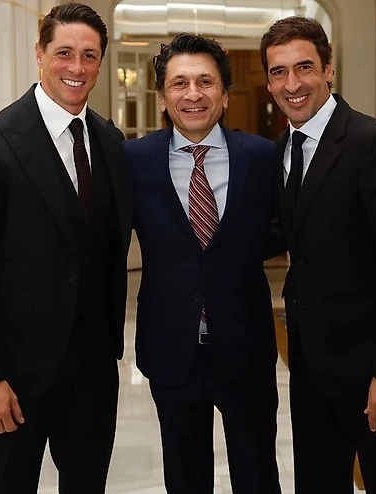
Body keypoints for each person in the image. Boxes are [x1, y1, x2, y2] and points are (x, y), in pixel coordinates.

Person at [0, 4, 131, 493]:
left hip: (94, 371)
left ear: (101, 62)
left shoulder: (110, 140)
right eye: (64, 52)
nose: (77, 67)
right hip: (15, 377)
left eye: (89, 55)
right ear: (39, 54)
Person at [260, 16, 376, 494]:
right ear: (269, 82)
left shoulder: (371, 142)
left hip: (372, 370)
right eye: (279, 72)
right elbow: (292, 232)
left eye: (304, 67)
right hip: (310, 368)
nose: (292, 84)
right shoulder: (284, 148)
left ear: (329, 69)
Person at [123, 33, 283, 494]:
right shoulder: (133, 161)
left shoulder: (262, 157)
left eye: (205, 82)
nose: (193, 94)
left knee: (257, 475)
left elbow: (286, 229)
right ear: (162, 96)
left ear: (225, 94)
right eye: (180, 83)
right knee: (185, 477)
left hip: (246, 347)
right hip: (171, 349)